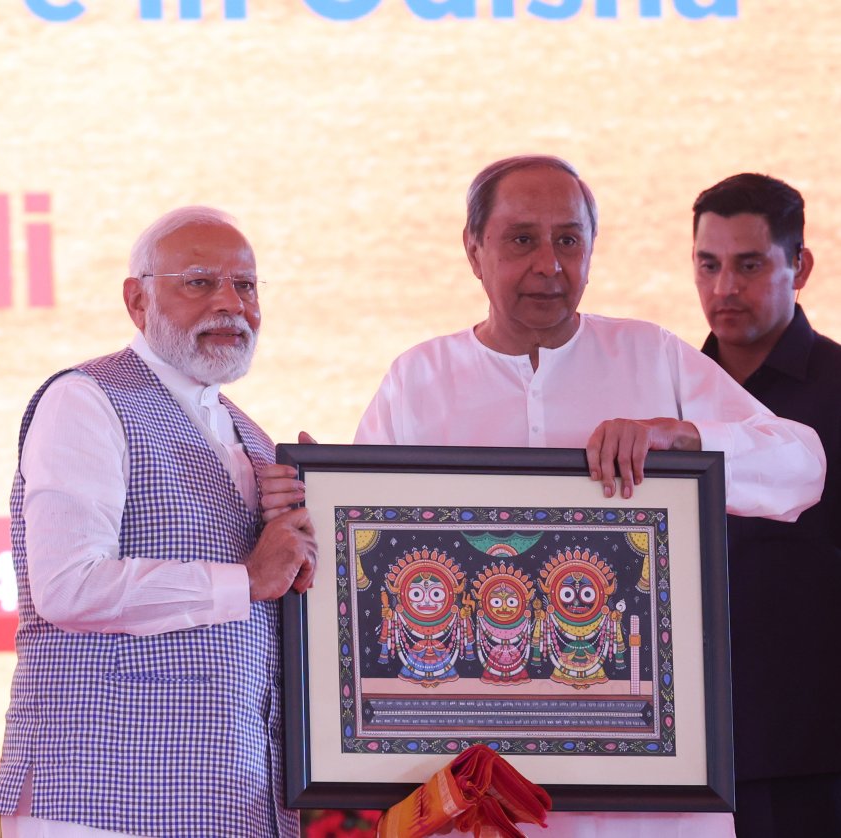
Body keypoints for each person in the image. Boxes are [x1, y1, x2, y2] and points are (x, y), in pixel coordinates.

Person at [354, 155, 827, 837]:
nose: (550, 264)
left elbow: (802, 467)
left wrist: (684, 438)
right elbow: (364, 579)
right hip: (477, 789)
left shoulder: (651, 358)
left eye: (569, 240)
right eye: (522, 239)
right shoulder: (417, 382)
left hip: (654, 797)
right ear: (473, 248)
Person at [0, 207, 317, 838]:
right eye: (199, 282)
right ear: (136, 300)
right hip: (100, 800)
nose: (230, 303)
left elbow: (270, 605)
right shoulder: (86, 399)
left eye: (245, 286)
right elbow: (69, 584)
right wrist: (245, 579)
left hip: (237, 801)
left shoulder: (254, 438)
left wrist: (309, 541)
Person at [693, 173, 841, 838]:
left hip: (816, 756)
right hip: (689, 753)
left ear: (799, 265)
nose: (724, 289)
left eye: (749, 265)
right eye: (708, 264)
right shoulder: (669, 399)